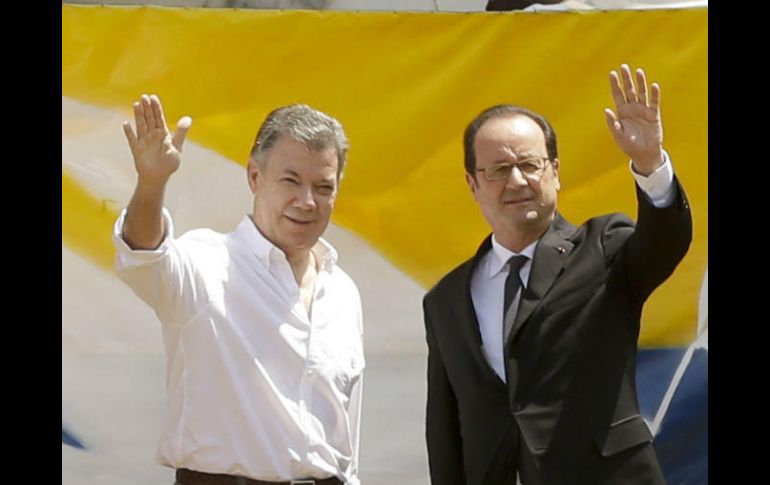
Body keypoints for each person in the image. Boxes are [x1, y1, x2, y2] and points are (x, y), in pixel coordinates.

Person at [422, 64, 692, 485]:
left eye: (530, 164)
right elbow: (444, 430)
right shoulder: (446, 299)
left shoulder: (603, 246)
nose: (517, 180)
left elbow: (664, 242)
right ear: (473, 184)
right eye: (498, 170)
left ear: (555, 171)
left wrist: (650, 165)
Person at [112, 95, 364, 485]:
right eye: (291, 181)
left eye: (323, 187)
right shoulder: (206, 263)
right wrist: (151, 183)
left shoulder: (342, 291)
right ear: (254, 177)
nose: (307, 201)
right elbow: (143, 255)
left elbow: (345, 433)